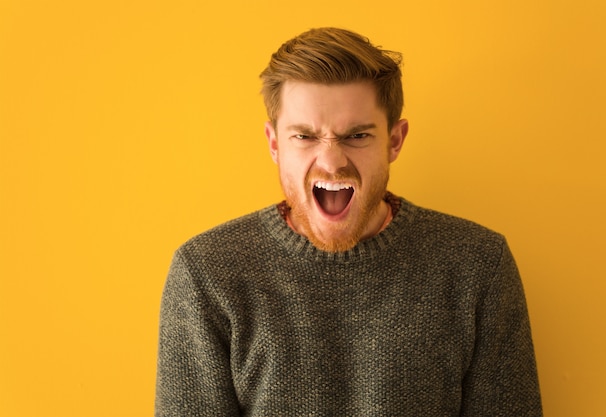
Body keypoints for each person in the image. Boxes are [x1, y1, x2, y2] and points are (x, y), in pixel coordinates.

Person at [155, 27, 542, 416]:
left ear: (395, 140)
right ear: (275, 144)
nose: (332, 161)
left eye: (357, 135)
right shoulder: (206, 274)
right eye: (305, 136)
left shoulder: (478, 266)